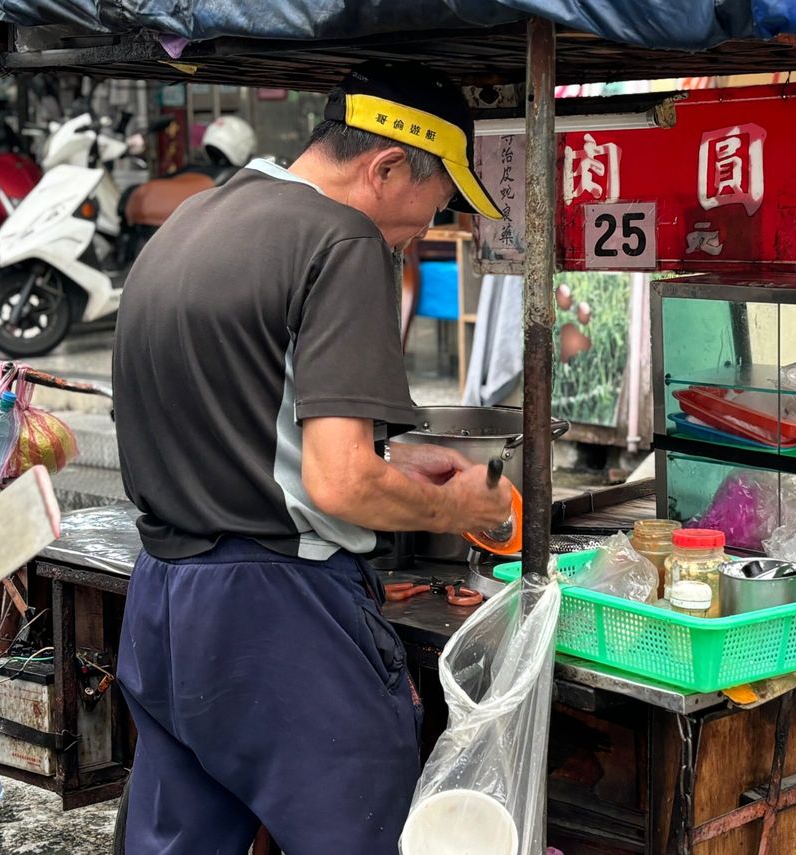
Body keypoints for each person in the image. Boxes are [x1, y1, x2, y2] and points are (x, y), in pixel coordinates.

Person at [111, 61, 511, 853]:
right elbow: (341, 480)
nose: (424, 231)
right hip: (277, 619)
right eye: (432, 206)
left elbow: (247, 422)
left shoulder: (196, 217)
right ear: (385, 167)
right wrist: (458, 506)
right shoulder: (343, 240)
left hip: (162, 602)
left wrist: (402, 466)